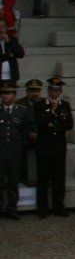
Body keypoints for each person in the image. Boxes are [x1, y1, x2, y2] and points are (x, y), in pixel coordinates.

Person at [32, 76, 72, 217]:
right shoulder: (40, 104)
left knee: (59, 179)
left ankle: (58, 206)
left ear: (60, 91)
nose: (54, 93)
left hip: (59, 146)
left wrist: (54, 125)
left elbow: (69, 124)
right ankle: (42, 207)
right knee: (43, 179)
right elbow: (41, 122)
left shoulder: (65, 105)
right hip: (44, 146)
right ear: (48, 90)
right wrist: (52, 111)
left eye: (57, 90)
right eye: (52, 90)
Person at [0, 82, 25, 219]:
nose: (5, 96)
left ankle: (12, 207)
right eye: (3, 93)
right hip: (0, 152)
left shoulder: (21, 111)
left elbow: (24, 132)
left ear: (14, 96)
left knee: (13, 181)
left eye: (8, 93)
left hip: (14, 152)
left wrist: (21, 147)